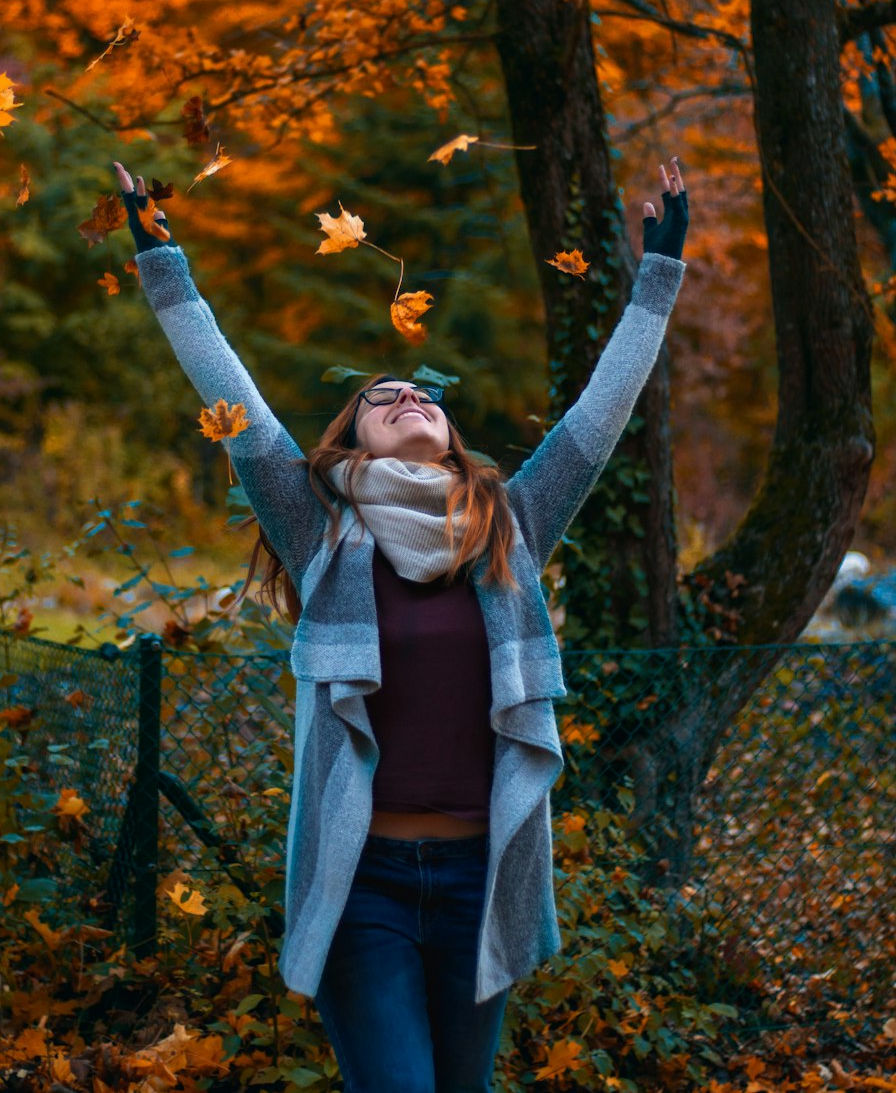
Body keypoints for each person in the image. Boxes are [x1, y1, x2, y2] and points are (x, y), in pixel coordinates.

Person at [113, 156, 689, 1093]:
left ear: (452, 436)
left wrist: (657, 277)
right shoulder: (319, 531)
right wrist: (163, 263)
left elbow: (602, 416)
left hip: (479, 881)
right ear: (351, 442)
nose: (405, 399)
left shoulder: (511, 523)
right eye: (379, 401)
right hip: (363, 882)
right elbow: (236, 401)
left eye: (420, 395)